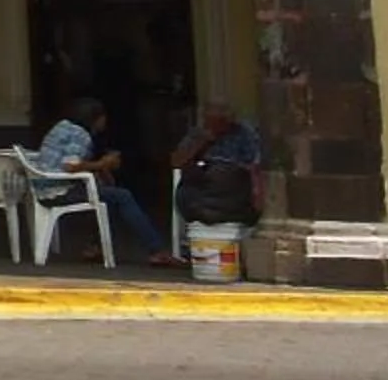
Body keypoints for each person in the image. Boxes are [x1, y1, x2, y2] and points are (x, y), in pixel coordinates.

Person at [36, 95, 174, 266]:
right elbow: (70, 166)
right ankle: (156, 250)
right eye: (103, 117)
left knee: (110, 195)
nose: (105, 121)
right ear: (94, 118)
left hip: (43, 188)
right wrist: (103, 163)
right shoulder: (80, 134)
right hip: (58, 191)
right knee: (123, 196)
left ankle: (95, 247)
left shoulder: (61, 126)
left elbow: (74, 164)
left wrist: (101, 169)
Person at [171, 101, 264, 228]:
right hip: (200, 193)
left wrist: (256, 193)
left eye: (220, 121)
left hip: (231, 193)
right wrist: (202, 142)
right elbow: (176, 162)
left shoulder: (244, 134)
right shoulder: (198, 133)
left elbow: (254, 166)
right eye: (209, 121)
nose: (213, 126)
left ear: (229, 120)